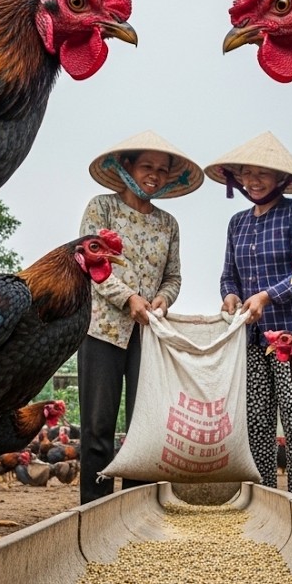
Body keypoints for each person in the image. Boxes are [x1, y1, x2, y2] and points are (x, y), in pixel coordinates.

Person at [77, 130, 204, 505]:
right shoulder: (103, 208)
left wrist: (162, 301)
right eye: (147, 166)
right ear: (126, 166)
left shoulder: (168, 224)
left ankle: (133, 509)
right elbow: (90, 263)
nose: (155, 175)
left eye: (162, 170)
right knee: (98, 426)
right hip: (101, 329)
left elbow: (173, 276)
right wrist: (129, 297)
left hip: (148, 335)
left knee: (142, 427)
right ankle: (94, 508)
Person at [208, 131, 292, 503]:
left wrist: (266, 296)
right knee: (255, 423)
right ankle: (264, 505)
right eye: (245, 173)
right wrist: (230, 295)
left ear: (282, 179)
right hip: (253, 338)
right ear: (236, 178)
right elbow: (229, 274)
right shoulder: (237, 223)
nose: (253, 181)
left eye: (262, 173)